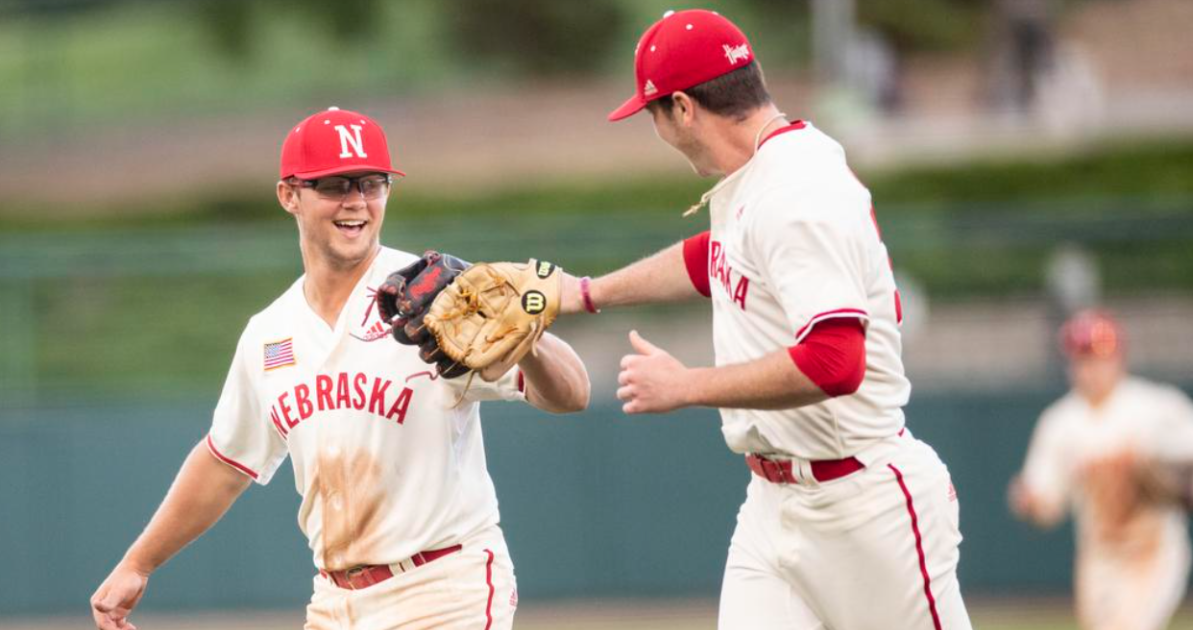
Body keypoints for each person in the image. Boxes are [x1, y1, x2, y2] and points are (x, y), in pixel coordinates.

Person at [90, 107, 591, 630]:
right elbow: (224, 463)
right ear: (289, 196)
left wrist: (526, 336)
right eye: (333, 185)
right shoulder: (270, 333)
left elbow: (571, 392)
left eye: (371, 183)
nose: (356, 201)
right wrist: (138, 562)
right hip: (335, 601)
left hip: (445, 588)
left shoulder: (437, 299)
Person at [554, 9, 972, 629]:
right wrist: (583, 293)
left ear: (684, 109)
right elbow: (713, 258)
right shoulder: (767, 167)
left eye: (653, 114)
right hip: (773, 502)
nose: (656, 129)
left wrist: (686, 385)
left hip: (864, 503)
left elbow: (836, 361)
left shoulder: (795, 190)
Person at [1009, 310, 1192, 630]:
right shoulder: (1060, 423)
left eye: (1099, 358)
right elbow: (1047, 503)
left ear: (1119, 358)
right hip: (1099, 555)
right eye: (1082, 359)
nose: (1091, 368)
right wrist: (1030, 501)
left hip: (1153, 551)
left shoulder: (1157, 407)